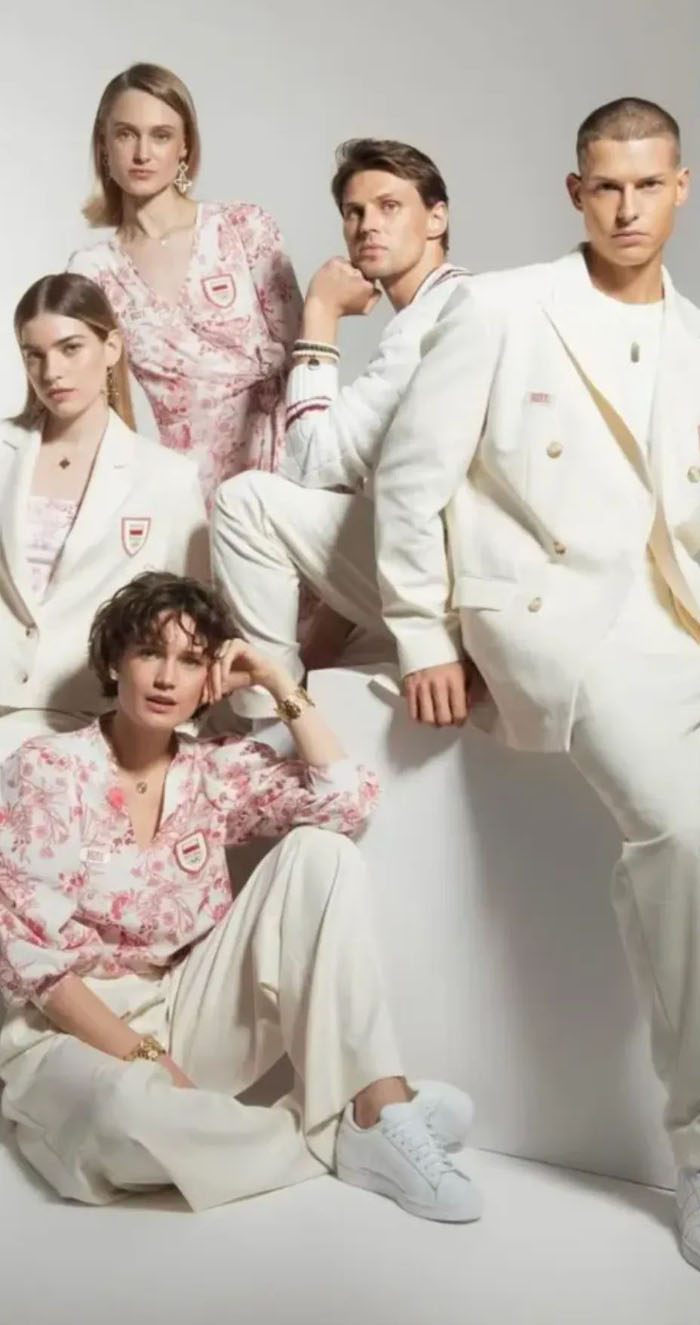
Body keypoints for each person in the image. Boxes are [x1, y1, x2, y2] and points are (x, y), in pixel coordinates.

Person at [373, 97, 700, 1267]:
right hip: (564, 625)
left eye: (648, 184)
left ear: (680, 188)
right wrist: (420, 634)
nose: (627, 208)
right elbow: (411, 479)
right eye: (606, 185)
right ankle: (697, 1147)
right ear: (575, 191)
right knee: (681, 836)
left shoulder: (693, 335)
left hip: (680, 619)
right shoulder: (506, 307)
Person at [0, 570, 481, 1221]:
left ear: (210, 679)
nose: (167, 677)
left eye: (190, 660)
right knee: (126, 1119)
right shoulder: (47, 769)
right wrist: (150, 1062)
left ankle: (379, 1103)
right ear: (115, 661)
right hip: (68, 1029)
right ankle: (337, 1132)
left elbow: (346, 801)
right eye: (149, 652)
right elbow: (34, 962)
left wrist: (279, 682)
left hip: (182, 1005)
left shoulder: (215, 771)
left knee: (322, 853)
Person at [211, 139, 470, 717]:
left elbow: (311, 464)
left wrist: (320, 314)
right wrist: (317, 651)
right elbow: (376, 500)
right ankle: (290, 700)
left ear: (437, 218)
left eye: (389, 206)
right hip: (447, 562)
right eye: (354, 212)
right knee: (340, 675)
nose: (367, 225)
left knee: (244, 501)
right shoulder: (439, 306)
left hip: (457, 574)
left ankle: (267, 717)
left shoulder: (438, 315)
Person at [68, 63, 301, 507]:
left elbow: (305, 359)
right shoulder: (93, 272)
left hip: (287, 473)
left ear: (185, 147)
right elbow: (97, 407)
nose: (142, 153)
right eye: (126, 134)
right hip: (188, 496)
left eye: (161, 135)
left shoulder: (243, 227)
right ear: (103, 146)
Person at [0, 272, 208, 765]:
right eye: (34, 355)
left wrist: (172, 746)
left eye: (70, 348)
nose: (52, 371)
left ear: (111, 347)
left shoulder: (166, 478)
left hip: (91, 723)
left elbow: (191, 623)